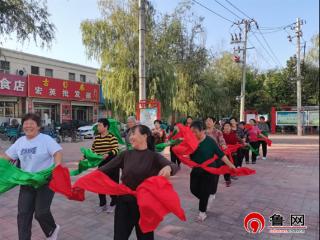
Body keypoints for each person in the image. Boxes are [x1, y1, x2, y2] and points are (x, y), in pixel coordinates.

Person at [99, 125, 179, 240]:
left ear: (144, 136)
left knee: (145, 237)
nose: (130, 137)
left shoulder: (154, 157)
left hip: (145, 205)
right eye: (130, 134)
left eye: (133, 134)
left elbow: (174, 166)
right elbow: (105, 168)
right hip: (124, 203)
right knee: (119, 237)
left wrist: (169, 168)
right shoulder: (125, 155)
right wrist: (85, 178)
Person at [0, 113, 62, 240]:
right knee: (23, 214)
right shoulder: (20, 142)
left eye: (32, 124)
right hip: (27, 182)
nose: (28, 126)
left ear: (38, 126)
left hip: (45, 181)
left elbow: (57, 152)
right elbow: (6, 158)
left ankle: (52, 229)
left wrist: (57, 165)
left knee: (41, 213)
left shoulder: (45, 139)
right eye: (25, 124)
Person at [189, 121, 236, 221]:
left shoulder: (210, 141)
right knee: (193, 189)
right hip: (197, 169)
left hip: (209, 169)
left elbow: (221, 155)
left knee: (204, 191)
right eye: (191, 132)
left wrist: (230, 165)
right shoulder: (191, 141)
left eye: (195, 132)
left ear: (202, 131)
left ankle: (202, 213)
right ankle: (207, 198)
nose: (193, 134)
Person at [91, 118, 119, 214]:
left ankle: (114, 203)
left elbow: (116, 149)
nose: (98, 127)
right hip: (102, 165)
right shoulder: (97, 138)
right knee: (100, 185)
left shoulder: (112, 137)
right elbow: (93, 149)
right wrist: (85, 156)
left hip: (112, 164)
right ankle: (102, 204)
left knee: (112, 185)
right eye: (97, 125)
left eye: (99, 125)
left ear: (106, 126)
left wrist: (108, 154)